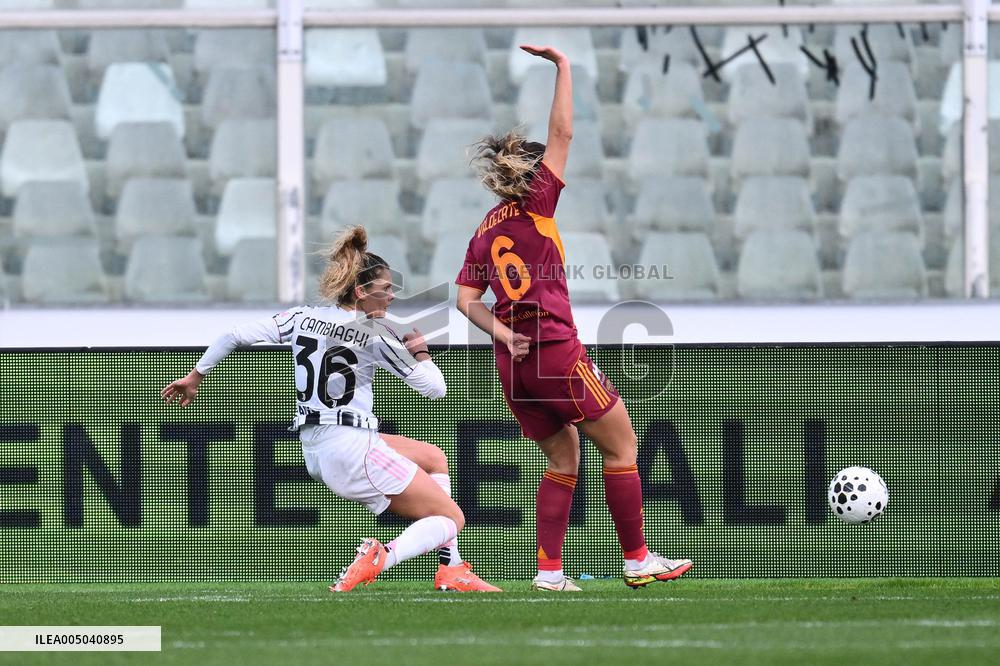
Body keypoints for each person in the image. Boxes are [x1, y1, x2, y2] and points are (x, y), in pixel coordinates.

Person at [455, 45, 692, 591]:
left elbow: (466, 300)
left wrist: (501, 332)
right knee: (623, 444)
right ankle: (636, 558)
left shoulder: (485, 228)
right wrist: (563, 67)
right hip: (556, 351)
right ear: (536, 174)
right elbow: (562, 134)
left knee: (564, 457)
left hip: (513, 366)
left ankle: (549, 573)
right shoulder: (537, 204)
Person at [161, 225, 500, 593]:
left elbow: (233, 335)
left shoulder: (300, 318)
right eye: (386, 288)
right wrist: (420, 352)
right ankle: (382, 556)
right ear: (360, 292)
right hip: (353, 448)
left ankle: (451, 568)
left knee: (433, 458)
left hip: (318, 444)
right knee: (451, 517)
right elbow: (436, 389)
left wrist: (195, 376)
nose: (391, 296)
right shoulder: (374, 331)